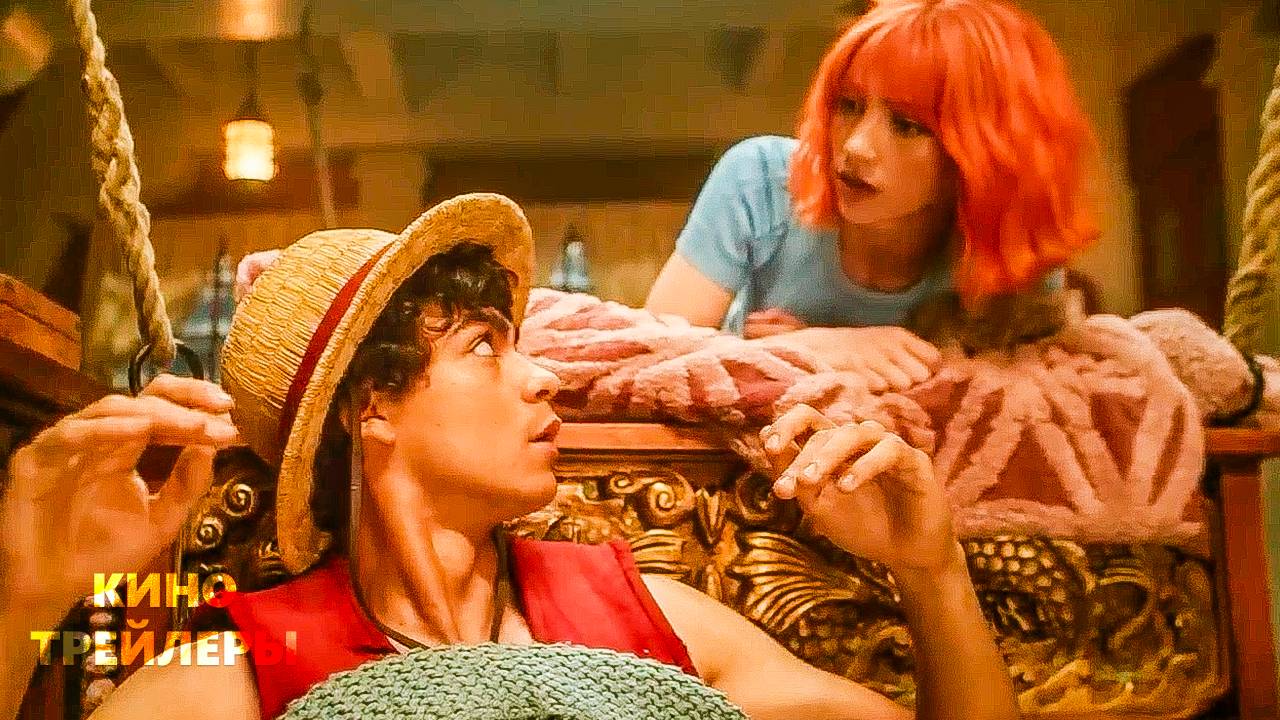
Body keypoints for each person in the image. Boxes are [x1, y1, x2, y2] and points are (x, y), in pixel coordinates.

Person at [2, 194, 1018, 720]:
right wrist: (23, 601)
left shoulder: (643, 615)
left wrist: (930, 570)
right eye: (486, 348)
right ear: (370, 405)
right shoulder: (250, 662)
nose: (544, 379)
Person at [645, 0, 1097, 390]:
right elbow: (643, 358)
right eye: (849, 105)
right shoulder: (761, 179)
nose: (856, 146)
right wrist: (806, 349)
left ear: (984, 154)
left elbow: (1020, 411)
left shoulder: (1013, 247)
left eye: (907, 125)